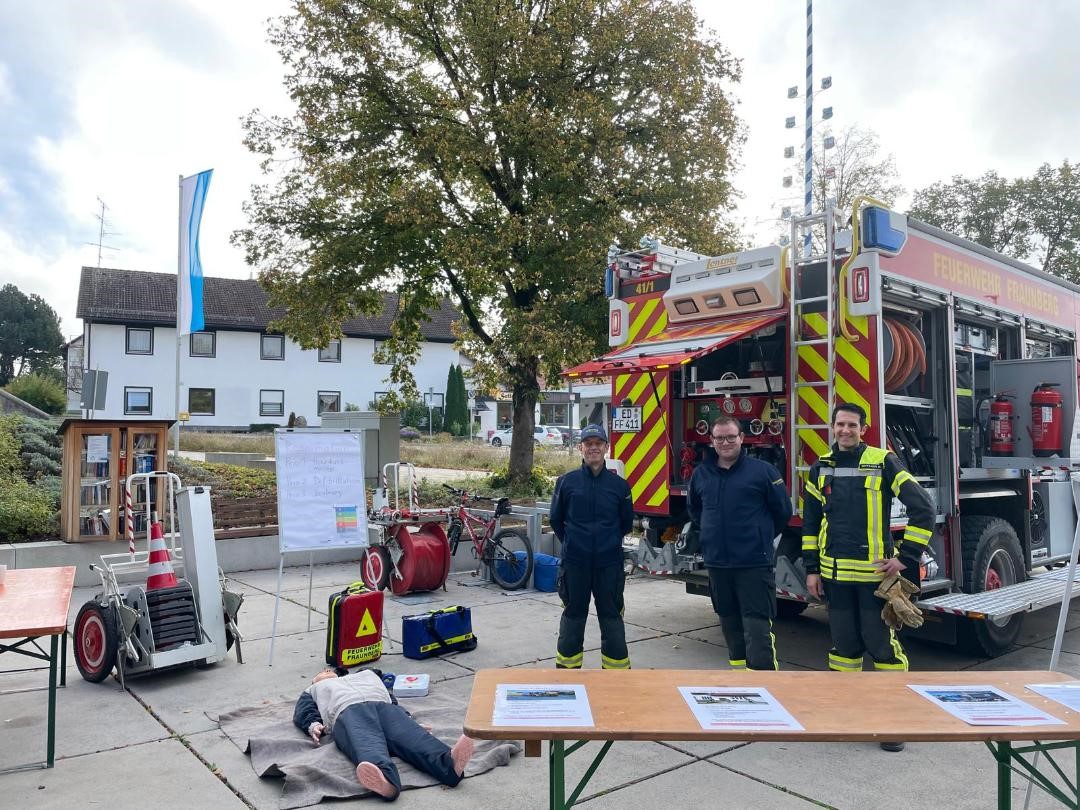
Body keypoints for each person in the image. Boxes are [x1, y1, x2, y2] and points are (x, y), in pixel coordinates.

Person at [802, 402, 935, 752]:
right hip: (835, 578)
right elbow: (811, 524)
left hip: (875, 582)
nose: (845, 430)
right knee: (844, 650)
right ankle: (847, 718)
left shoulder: (883, 461)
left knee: (882, 649)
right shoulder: (820, 469)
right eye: (840, 425)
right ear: (832, 428)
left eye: (852, 425)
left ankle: (892, 723)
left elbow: (923, 508)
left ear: (864, 428)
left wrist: (906, 557)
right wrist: (811, 569)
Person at [687, 415, 792, 670]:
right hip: (718, 564)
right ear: (711, 441)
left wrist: (759, 537)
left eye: (731, 437)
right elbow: (696, 511)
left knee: (757, 630)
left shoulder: (763, 472)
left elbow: (782, 512)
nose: (725, 442)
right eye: (720, 438)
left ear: (742, 439)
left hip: (753, 564)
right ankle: (740, 681)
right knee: (730, 626)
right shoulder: (701, 474)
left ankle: (763, 685)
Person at [293, 666, 475, 800]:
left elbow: (391, 698)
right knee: (367, 744)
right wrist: (313, 724)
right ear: (314, 681)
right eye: (321, 672)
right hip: (348, 712)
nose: (326, 670)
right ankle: (386, 782)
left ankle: (449, 764)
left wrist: (408, 718)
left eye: (328, 669)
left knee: (413, 738)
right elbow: (304, 710)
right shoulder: (313, 690)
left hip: (385, 707)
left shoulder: (366, 675)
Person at [550, 423, 634, 670]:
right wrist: (576, 544)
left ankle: (617, 675)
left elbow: (626, 523)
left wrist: (606, 544)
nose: (593, 448)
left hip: (609, 564)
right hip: (575, 563)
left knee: (611, 617)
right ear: (580, 448)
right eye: (588, 444)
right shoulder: (566, 482)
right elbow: (556, 520)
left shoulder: (619, 486)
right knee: (574, 616)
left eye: (598, 443)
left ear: (606, 448)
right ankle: (567, 673)